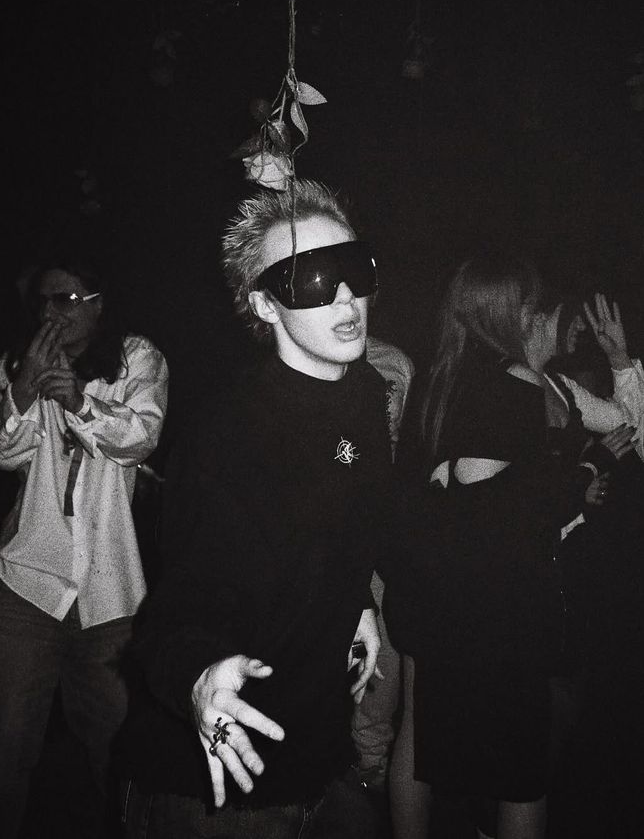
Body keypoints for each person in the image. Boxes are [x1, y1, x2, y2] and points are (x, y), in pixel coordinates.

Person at [116, 179, 394, 838]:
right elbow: (183, 602)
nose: (344, 296)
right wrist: (198, 677)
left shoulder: (364, 393)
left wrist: (357, 601)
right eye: (311, 279)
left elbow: (338, 522)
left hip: (318, 758)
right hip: (216, 787)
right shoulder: (227, 437)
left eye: (353, 270)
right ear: (265, 305)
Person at [383, 253, 635, 839]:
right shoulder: (513, 381)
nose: (538, 315)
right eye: (529, 304)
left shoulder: (443, 379)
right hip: (493, 600)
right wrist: (582, 472)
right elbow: (502, 517)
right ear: (505, 311)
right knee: (521, 766)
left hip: (428, 586)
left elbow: (466, 495)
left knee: (420, 737)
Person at [0, 247, 169, 839]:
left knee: (120, 756)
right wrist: (24, 387)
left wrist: (78, 399)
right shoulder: (16, 365)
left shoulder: (137, 358)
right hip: (26, 583)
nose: (55, 311)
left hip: (110, 593)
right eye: (47, 300)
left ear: (100, 304)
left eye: (70, 297)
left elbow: (140, 437)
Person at [351, 336, 413, 792]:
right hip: (317, 525)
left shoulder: (395, 362)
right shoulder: (294, 352)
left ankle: (369, 766)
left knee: (382, 651)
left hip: (379, 529)